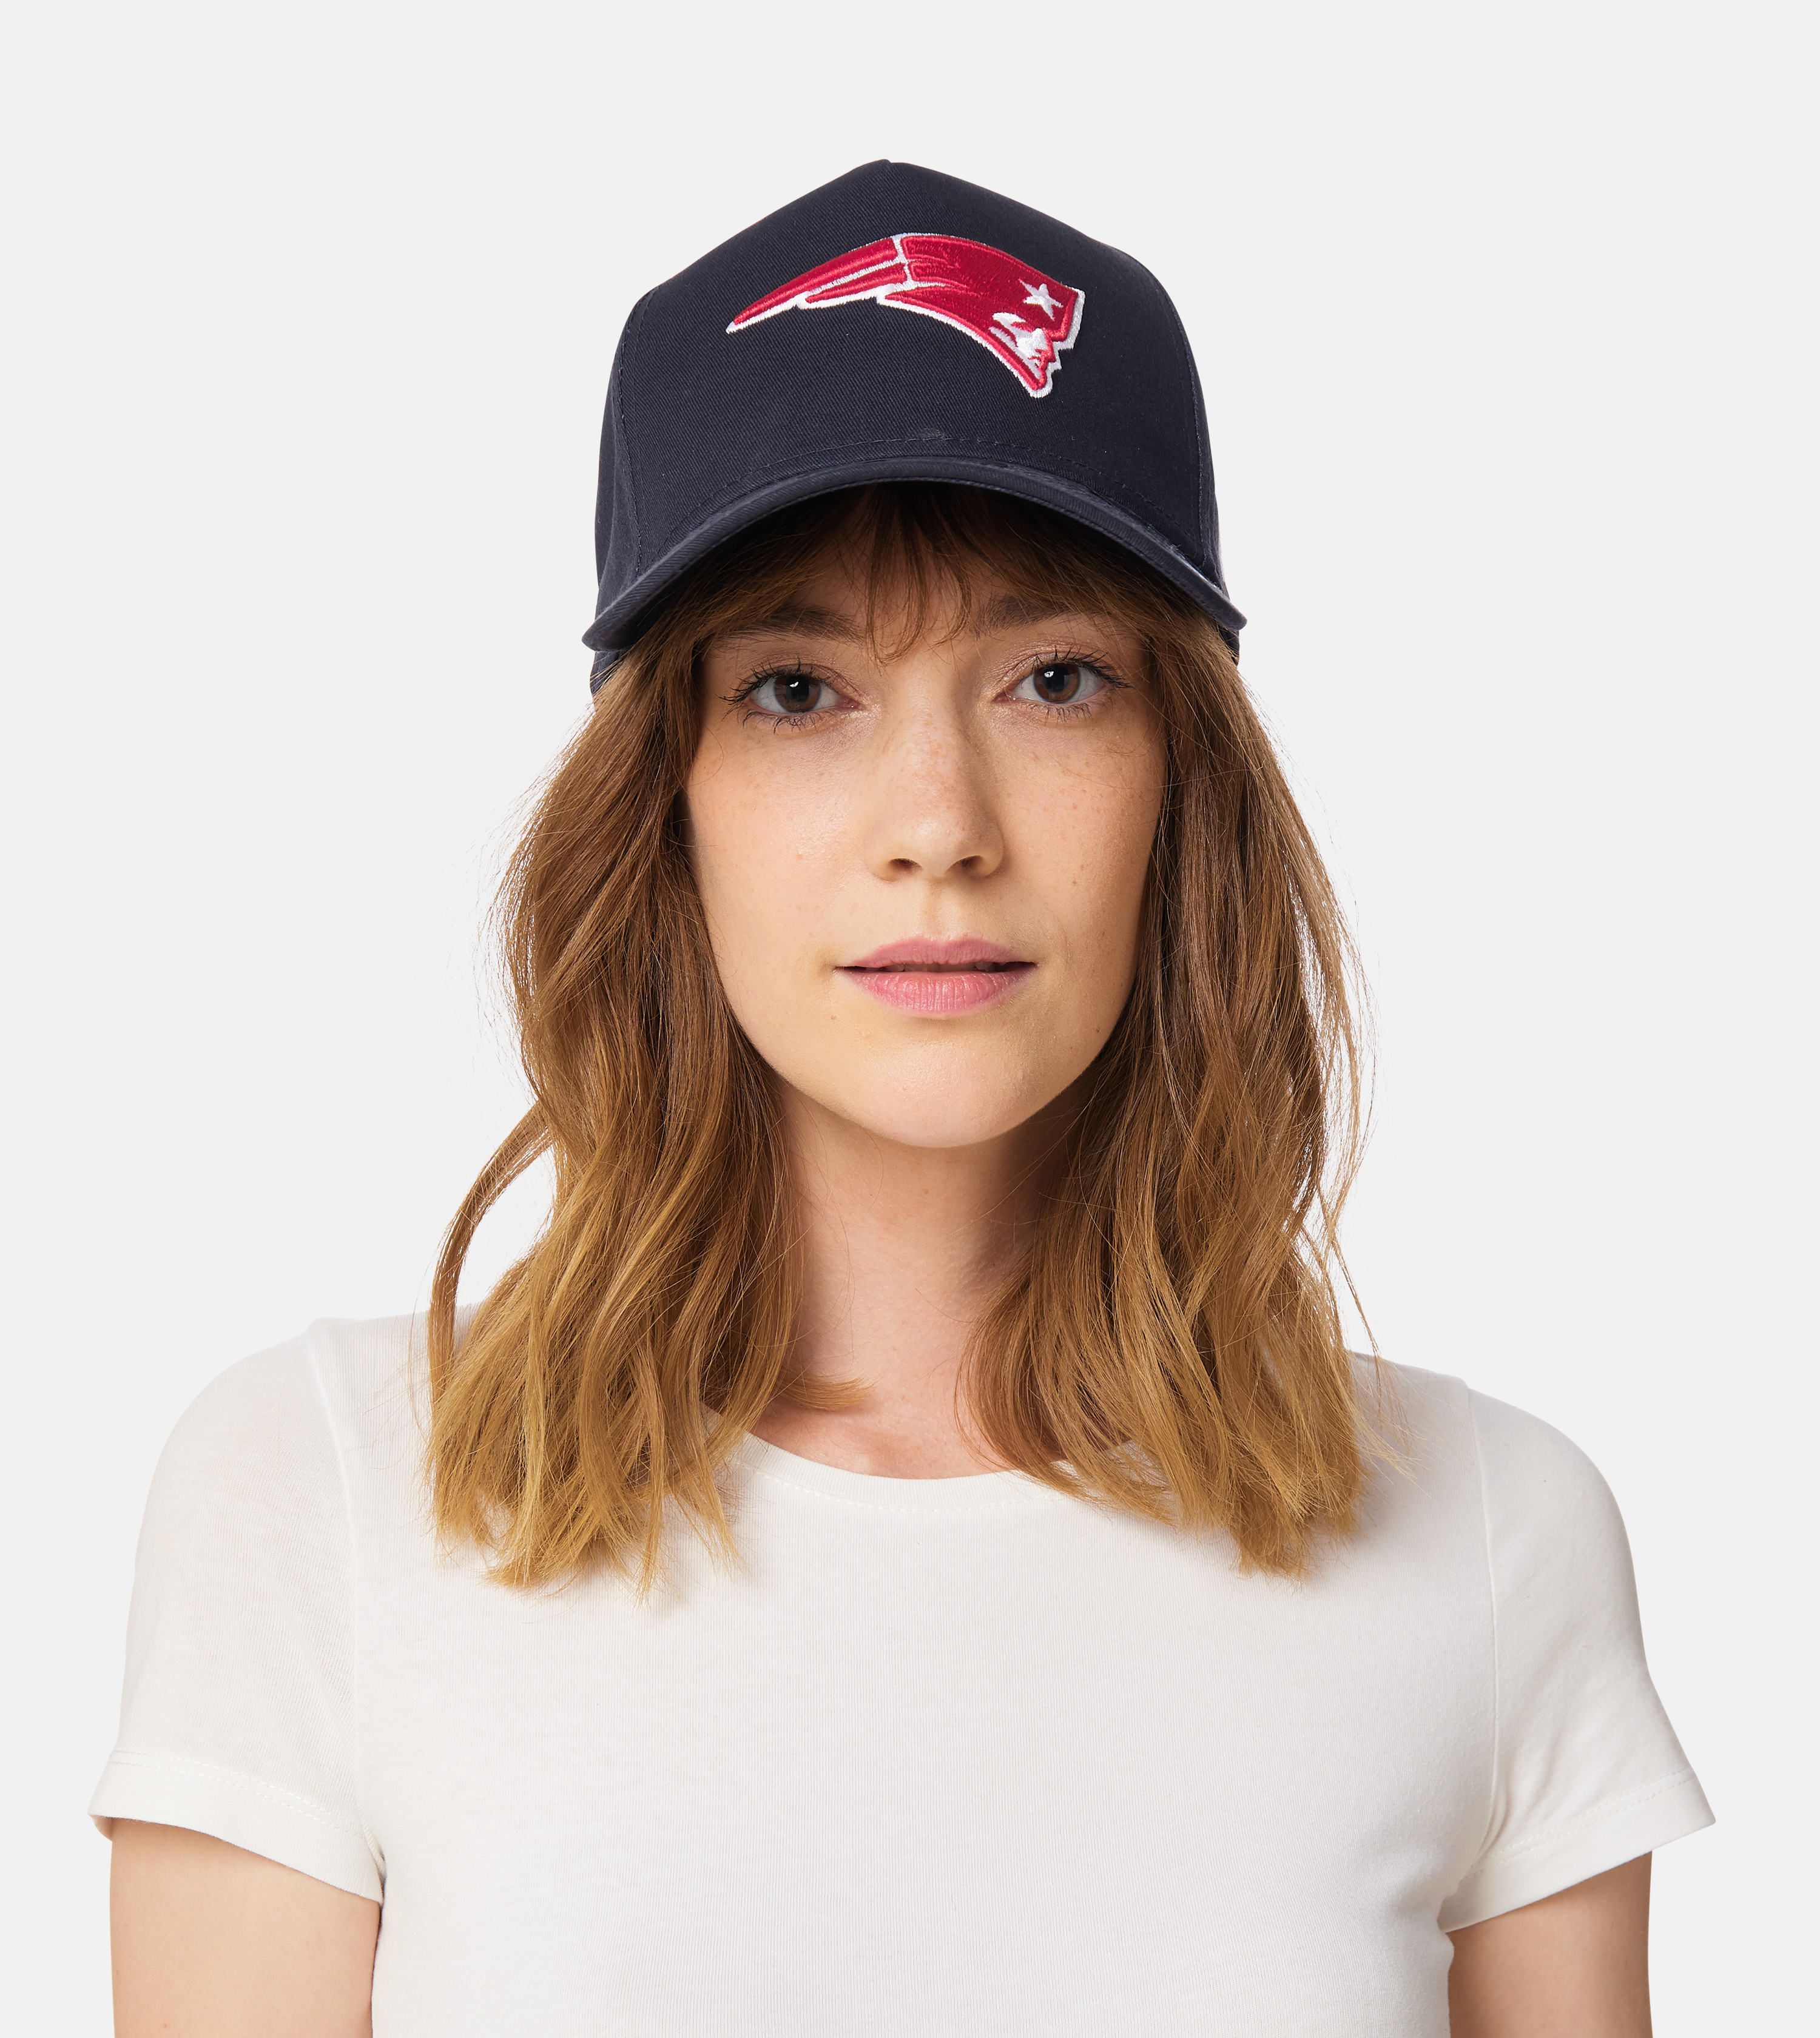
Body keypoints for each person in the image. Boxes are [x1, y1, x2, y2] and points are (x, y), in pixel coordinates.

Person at [93, 161, 1711, 2037]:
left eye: (1054, 679)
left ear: (1182, 784)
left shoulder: (1491, 1539)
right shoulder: (325, 1495)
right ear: (665, 805)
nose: (938, 825)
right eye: (799, 691)